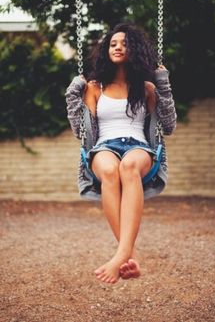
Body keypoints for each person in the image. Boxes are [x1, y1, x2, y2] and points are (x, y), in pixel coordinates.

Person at [65, 23, 177, 284]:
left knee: (128, 167)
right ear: (107, 49)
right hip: (104, 146)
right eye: (113, 43)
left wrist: (163, 84)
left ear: (135, 50)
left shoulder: (147, 88)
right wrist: (73, 92)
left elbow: (168, 126)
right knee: (108, 169)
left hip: (139, 147)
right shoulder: (94, 87)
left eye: (124, 43)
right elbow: (77, 130)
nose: (118, 47)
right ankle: (130, 255)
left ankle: (121, 255)